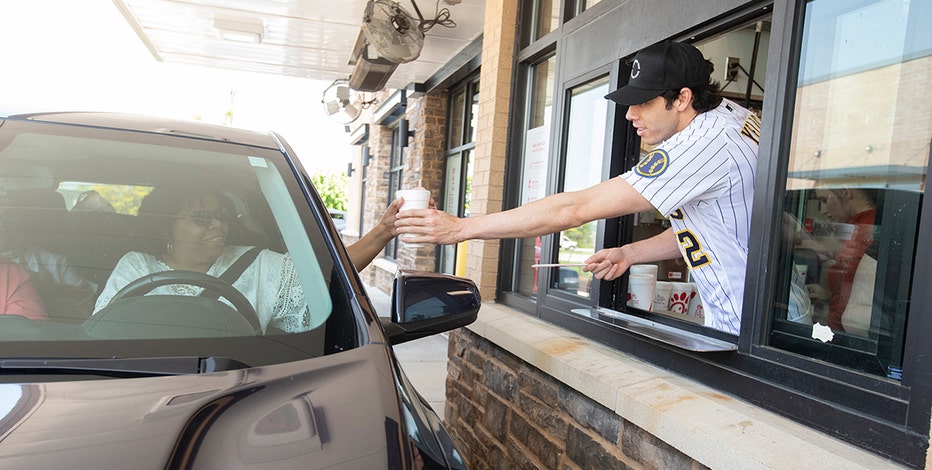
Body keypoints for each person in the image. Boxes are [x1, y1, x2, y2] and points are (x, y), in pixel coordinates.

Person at [396, 42, 760, 334]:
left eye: (643, 102)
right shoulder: (728, 117)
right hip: (748, 319)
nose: (631, 114)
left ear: (682, 99)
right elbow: (711, 226)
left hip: (746, 327)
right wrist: (630, 253)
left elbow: (573, 210)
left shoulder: (700, 146)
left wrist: (463, 228)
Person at [93, 188, 410, 333]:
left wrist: (383, 232)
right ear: (167, 225)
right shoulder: (137, 266)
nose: (218, 225)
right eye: (202, 217)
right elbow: (106, 332)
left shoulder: (258, 265)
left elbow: (327, 274)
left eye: (223, 216)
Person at [802, 188, 877, 331]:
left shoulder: (867, 228)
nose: (823, 210)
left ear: (845, 192)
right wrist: (827, 294)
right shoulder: (854, 227)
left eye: (825, 200)